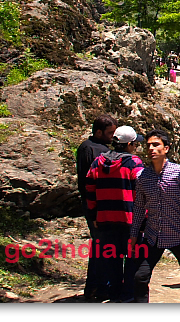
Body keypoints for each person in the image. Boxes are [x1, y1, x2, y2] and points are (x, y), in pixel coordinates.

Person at [129, 129, 180, 303]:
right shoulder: (142, 177)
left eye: (156, 145)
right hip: (153, 236)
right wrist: (133, 235)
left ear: (166, 148)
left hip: (178, 234)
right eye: (148, 146)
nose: (151, 149)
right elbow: (139, 207)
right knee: (140, 277)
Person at [84, 125, 145, 303]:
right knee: (132, 261)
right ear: (129, 144)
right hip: (129, 222)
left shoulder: (98, 162)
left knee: (112, 261)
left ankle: (114, 294)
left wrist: (94, 215)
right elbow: (141, 193)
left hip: (104, 221)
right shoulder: (134, 164)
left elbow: (89, 189)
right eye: (135, 144)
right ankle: (127, 297)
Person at [76, 114, 117, 302]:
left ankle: (99, 287)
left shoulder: (88, 147)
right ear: (99, 132)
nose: (112, 137)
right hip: (98, 206)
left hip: (95, 205)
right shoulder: (95, 151)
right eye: (110, 133)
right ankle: (96, 287)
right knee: (103, 248)